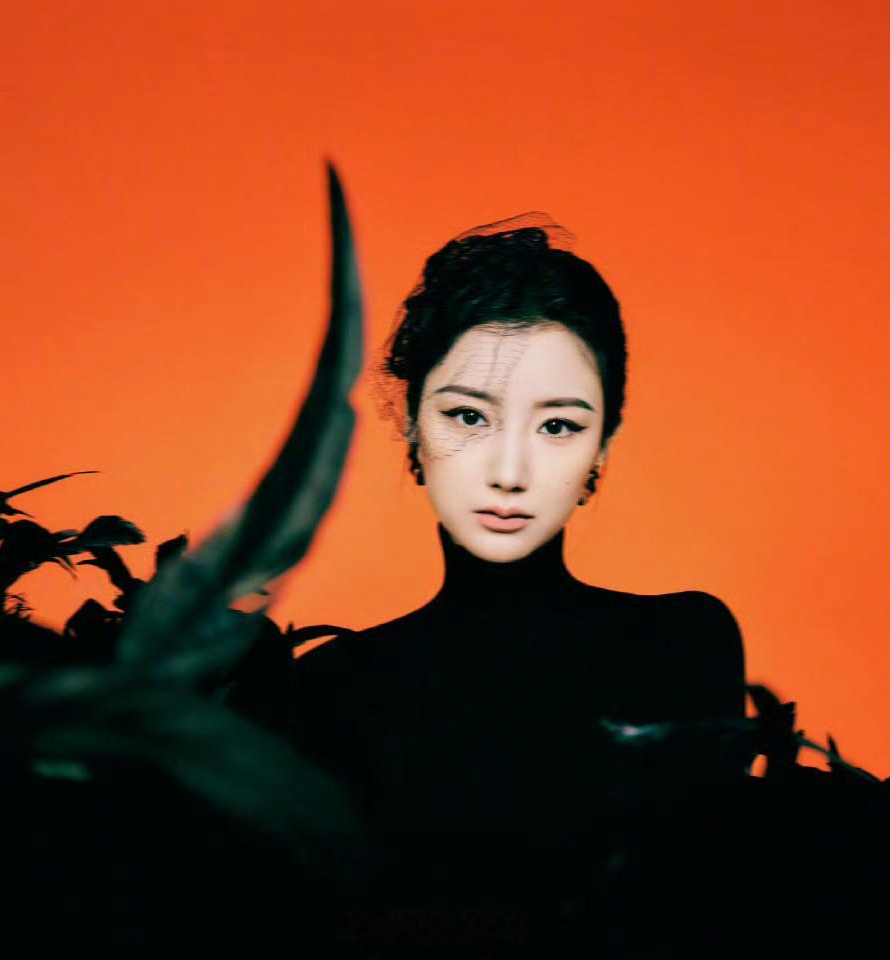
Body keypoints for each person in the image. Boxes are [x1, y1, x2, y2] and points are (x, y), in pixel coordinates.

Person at [229, 213, 748, 955]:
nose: (509, 471)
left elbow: (700, 906)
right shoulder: (328, 690)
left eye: (557, 426)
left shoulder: (679, 644)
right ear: (412, 427)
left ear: (603, 445)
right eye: (468, 416)